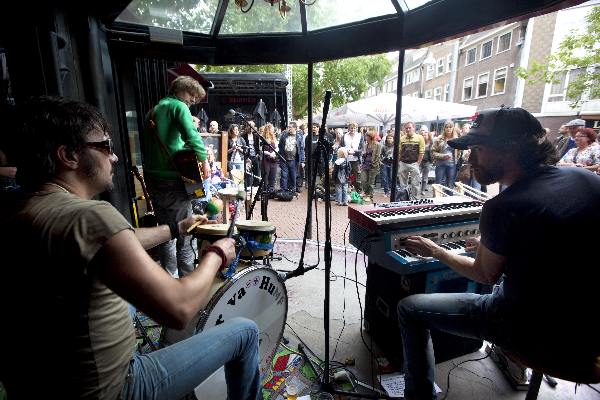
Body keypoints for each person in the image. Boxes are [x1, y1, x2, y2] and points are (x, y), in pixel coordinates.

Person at [0, 96, 261, 400]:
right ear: (68, 155)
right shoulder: (90, 216)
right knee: (245, 331)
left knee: (129, 301)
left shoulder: (17, 208)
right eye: (105, 147)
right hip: (113, 389)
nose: (114, 158)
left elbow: (115, 243)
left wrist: (174, 228)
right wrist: (215, 255)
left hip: (39, 385)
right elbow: (178, 309)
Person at [396, 107, 600, 400]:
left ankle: (419, 396)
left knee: (409, 308)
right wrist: (494, 246)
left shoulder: (504, 207)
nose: (470, 159)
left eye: (478, 149)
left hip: (529, 330)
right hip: (587, 332)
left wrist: (436, 250)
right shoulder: (588, 181)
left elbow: (484, 274)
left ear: (512, 149)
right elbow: (554, 247)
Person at [141, 75, 210, 278]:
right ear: (181, 90)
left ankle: (167, 279)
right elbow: (192, 136)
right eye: (192, 95)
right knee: (185, 235)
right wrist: (204, 160)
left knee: (166, 232)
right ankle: (188, 283)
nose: (192, 100)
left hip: (153, 178)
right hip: (173, 178)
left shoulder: (152, 111)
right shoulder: (178, 107)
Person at [398, 121, 425, 198]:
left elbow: (422, 151)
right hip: (403, 163)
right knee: (403, 184)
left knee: (415, 183)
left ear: (414, 128)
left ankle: (415, 200)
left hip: (414, 163)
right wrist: (399, 162)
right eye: (406, 128)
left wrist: (418, 163)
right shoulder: (402, 138)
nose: (408, 129)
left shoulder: (419, 138)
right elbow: (399, 151)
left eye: (410, 128)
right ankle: (404, 199)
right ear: (404, 129)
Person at [278, 126, 305, 194]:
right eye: (288, 127)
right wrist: (280, 156)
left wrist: (302, 160)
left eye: (291, 127)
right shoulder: (284, 136)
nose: (289, 129)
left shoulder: (299, 137)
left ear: (295, 128)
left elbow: (301, 149)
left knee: (293, 176)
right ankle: (283, 190)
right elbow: (280, 146)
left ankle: (293, 190)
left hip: (294, 160)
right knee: (284, 175)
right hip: (284, 159)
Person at [360, 128, 382, 203]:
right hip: (365, 164)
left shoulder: (377, 145)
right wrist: (363, 154)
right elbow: (364, 155)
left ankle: (370, 196)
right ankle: (365, 193)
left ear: (370, 137)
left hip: (373, 166)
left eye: (367, 136)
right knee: (363, 180)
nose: (365, 137)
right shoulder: (366, 145)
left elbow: (378, 156)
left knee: (371, 182)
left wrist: (374, 164)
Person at [342, 121, 364, 192]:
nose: (353, 130)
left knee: (357, 175)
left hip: (356, 159)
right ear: (348, 128)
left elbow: (362, 148)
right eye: (351, 128)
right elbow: (341, 146)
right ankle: (347, 190)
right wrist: (345, 151)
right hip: (346, 158)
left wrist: (354, 153)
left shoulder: (360, 136)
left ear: (356, 128)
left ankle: (358, 190)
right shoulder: (344, 136)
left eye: (354, 128)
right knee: (346, 174)